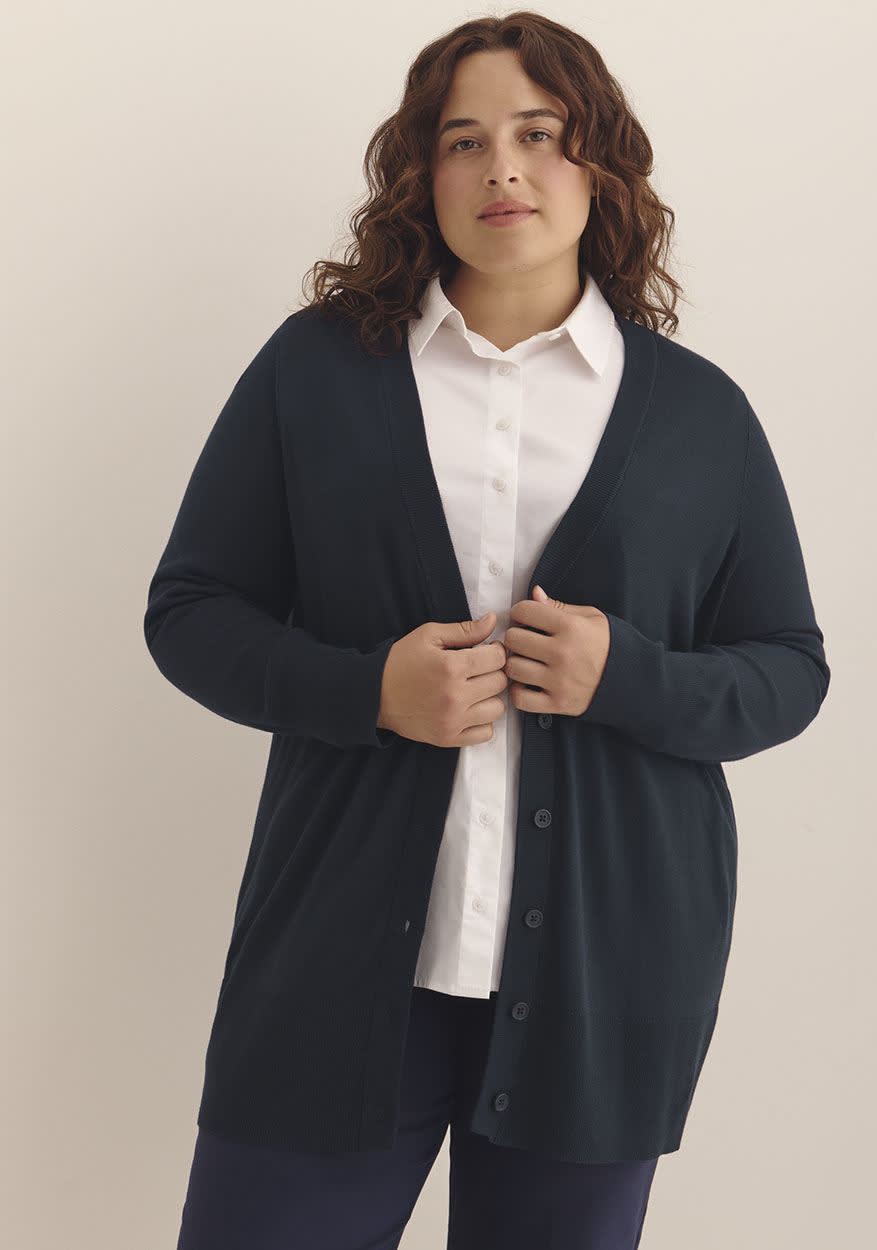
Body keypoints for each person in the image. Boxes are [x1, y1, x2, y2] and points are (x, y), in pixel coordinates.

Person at [149, 12, 831, 1250]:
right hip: (334, 966)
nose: (502, 169)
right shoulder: (315, 373)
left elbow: (788, 667)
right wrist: (368, 690)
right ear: (423, 174)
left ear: (599, 163)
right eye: (463, 140)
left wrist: (626, 674)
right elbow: (191, 609)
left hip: (604, 981)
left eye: (539, 133)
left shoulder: (699, 416)